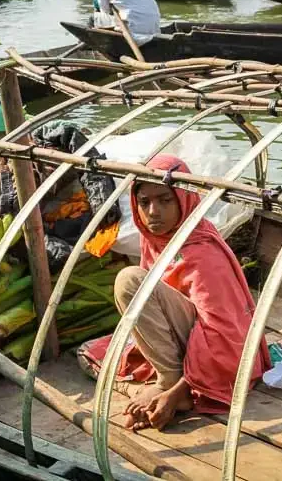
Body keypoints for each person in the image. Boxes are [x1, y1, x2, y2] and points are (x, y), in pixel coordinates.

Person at [114, 155, 271, 431]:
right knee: (91, 353)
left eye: (165, 200)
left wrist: (175, 391)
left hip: (221, 349)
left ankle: (172, 381)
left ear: (184, 200)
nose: (153, 212)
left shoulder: (202, 252)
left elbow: (223, 332)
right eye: (144, 202)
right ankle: (172, 380)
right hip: (188, 339)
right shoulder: (155, 240)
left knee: (129, 282)